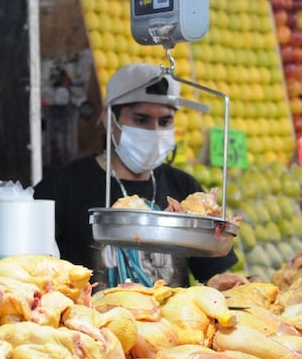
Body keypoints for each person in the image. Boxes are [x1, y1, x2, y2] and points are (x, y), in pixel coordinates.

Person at [34, 62, 238, 287]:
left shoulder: (184, 188)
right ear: (109, 119)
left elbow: (213, 273)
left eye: (165, 121)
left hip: (172, 321)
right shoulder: (63, 188)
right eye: (141, 120)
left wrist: (227, 283)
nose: (155, 131)